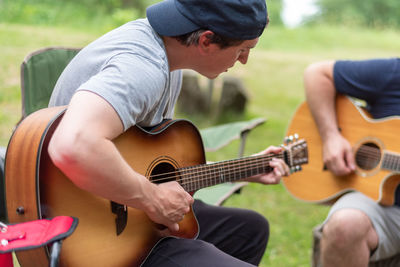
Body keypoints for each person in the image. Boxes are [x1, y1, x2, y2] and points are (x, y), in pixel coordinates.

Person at [47, 0, 290, 266]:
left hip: (121, 208)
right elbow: (72, 145)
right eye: (243, 48)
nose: (244, 60)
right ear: (207, 40)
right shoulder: (142, 68)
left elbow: (141, 158)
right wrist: (152, 199)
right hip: (90, 232)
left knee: (248, 230)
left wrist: (243, 168)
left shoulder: (166, 54)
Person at [304, 58, 400, 267]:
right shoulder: (393, 72)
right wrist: (331, 137)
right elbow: (317, 73)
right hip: (384, 206)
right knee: (345, 226)